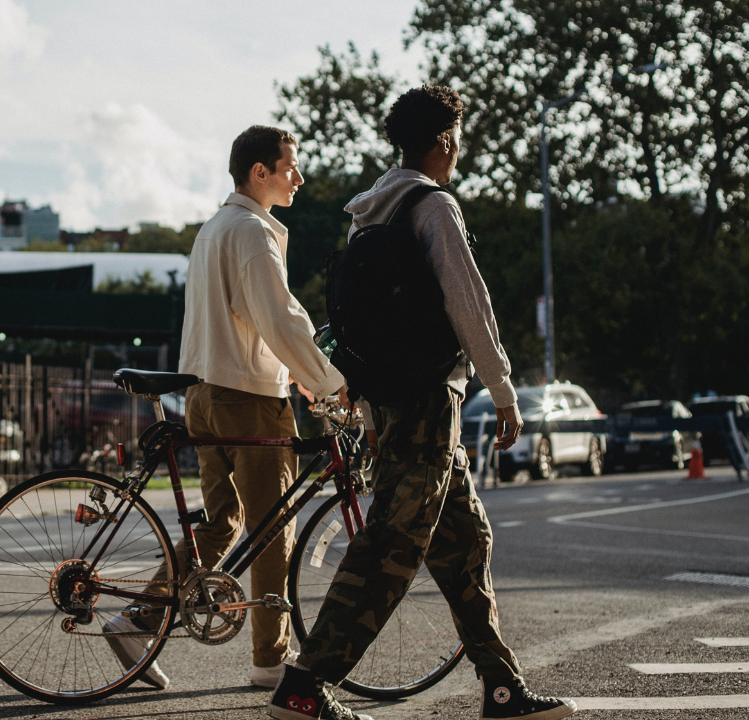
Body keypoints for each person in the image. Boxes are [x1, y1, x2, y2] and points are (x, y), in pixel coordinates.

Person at [267, 87, 577, 720]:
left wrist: (376, 417)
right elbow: (470, 305)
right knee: (391, 546)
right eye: (455, 141)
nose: (457, 153)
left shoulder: (368, 215)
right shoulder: (433, 207)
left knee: (465, 541)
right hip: (432, 402)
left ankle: (501, 688)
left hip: (396, 405)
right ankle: (305, 683)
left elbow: (364, 331)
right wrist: (503, 390)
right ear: (443, 143)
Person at [103, 125, 346, 690]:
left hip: (204, 394)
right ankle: (269, 661)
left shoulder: (213, 228)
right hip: (248, 398)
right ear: (259, 172)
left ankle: (137, 616)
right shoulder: (252, 233)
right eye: (290, 166)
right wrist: (327, 382)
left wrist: (303, 376)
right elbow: (278, 318)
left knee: (221, 523)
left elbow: (252, 320)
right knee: (270, 531)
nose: (299, 177)